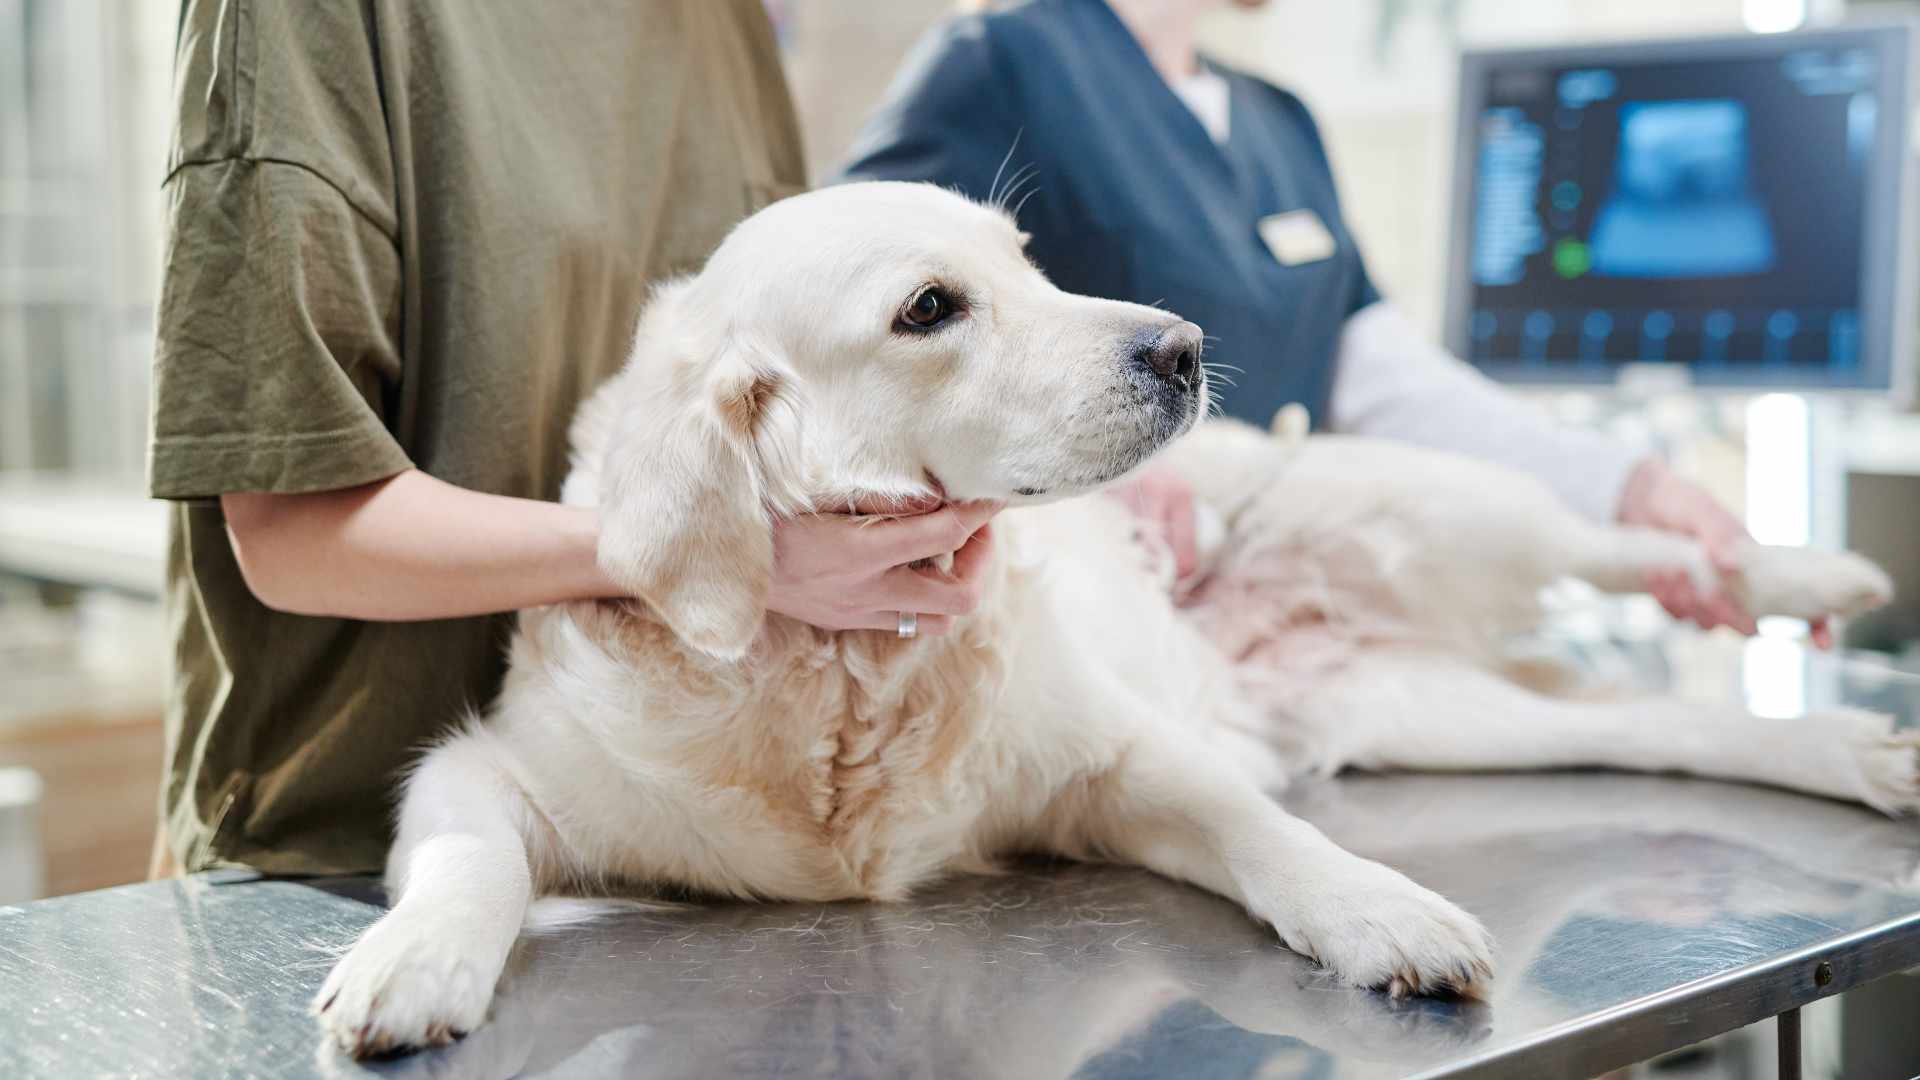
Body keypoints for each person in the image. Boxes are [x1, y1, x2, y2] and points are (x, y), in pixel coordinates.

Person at [147, 0, 995, 878]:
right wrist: (703, 549)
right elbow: (294, 534)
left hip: (688, 846)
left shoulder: (724, 25)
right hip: (341, 860)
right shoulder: (306, 21)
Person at [837, 0, 1790, 641]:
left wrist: (1632, 486)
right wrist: (1097, 487)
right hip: (1097, 630)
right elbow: (851, 336)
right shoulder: (1001, 59)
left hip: (1286, 618)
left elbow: (1381, 379)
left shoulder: (1278, 119)